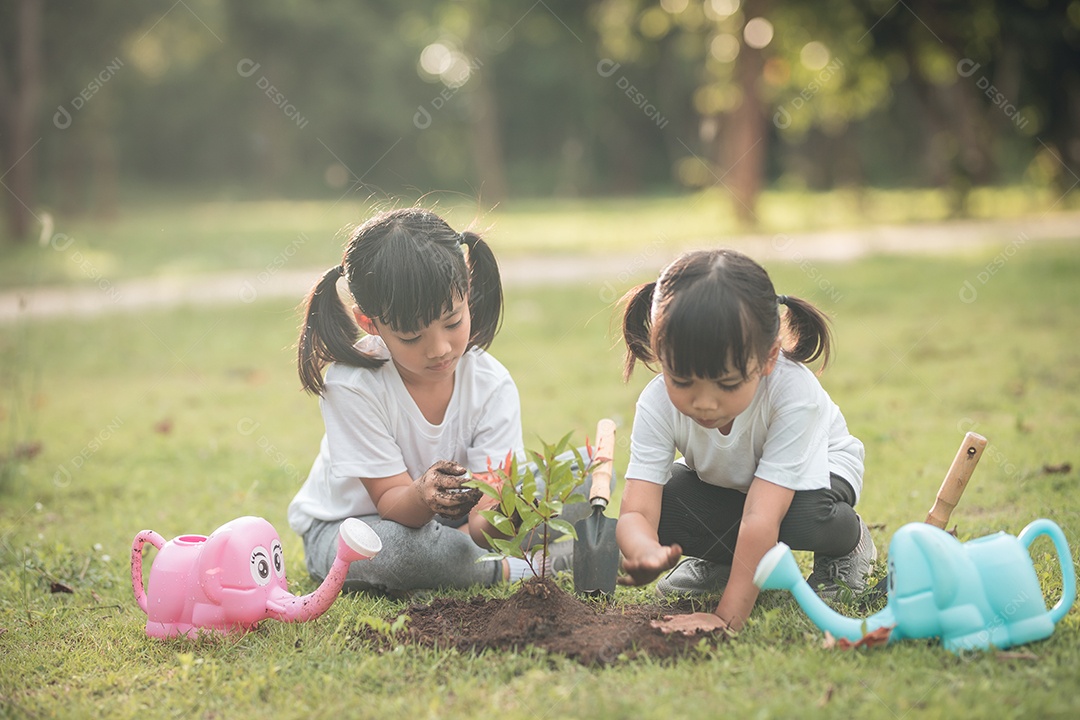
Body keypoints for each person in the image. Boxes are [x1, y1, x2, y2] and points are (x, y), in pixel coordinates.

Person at [614, 248, 876, 635]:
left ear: (768, 358)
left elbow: (761, 516)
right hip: (735, 485)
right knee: (668, 503)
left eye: (728, 384)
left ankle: (848, 545)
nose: (703, 402)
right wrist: (643, 550)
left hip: (820, 476)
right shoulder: (656, 402)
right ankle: (722, 562)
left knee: (797, 517)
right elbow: (637, 511)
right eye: (681, 381)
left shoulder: (793, 392)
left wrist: (725, 618)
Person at [287, 207, 546, 595]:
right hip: (354, 527)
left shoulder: (491, 384)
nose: (439, 349)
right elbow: (391, 503)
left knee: (566, 481)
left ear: (468, 295)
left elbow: (480, 525)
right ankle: (515, 569)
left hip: (447, 527)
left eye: (453, 321)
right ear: (370, 324)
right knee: (399, 554)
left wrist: (509, 509)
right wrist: (425, 493)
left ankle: (460, 561)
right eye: (411, 337)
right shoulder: (354, 384)